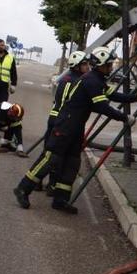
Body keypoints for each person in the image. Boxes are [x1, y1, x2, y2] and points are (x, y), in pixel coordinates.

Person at [13, 47, 137, 214]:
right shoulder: (91, 81)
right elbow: (101, 106)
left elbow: (114, 95)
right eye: (108, 65)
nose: (111, 68)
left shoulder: (98, 79)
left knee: (72, 163)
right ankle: (23, 188)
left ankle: (60, 199)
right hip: (65, 125)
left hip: (76, 127)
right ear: (100, 65)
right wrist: (124, 118)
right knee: (52, 159)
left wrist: (136, 97)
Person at [41, 50, 89, 194]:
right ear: (77, 66)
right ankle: (50, 184)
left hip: (57, 118)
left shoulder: (69, 78)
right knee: (55, 155)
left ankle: (40, 181)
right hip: (61, 121)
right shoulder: (74, 82)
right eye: (85, 64)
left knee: (49, 152)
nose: (88, 67)